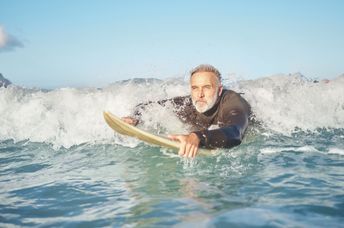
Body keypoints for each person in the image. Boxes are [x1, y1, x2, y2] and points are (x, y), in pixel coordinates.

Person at [122, 64, 251, 158]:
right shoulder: (187, 104)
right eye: (195, 88)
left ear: (219, 90)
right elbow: (149, 107)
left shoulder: (232, 102)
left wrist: (199, 137)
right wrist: (135, 117)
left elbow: (236, 132)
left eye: (207, 87)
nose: (200, 94)